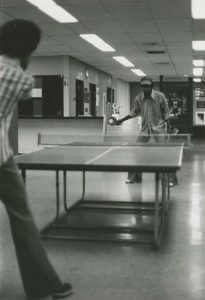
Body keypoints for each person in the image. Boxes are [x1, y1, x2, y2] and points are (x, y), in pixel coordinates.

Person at [0, 19, 72, 299]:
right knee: (23, 220)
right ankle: (43, 286)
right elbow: (25, 91)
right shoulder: (22, 79)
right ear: (27, 49)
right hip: (2, 158)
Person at [116, 77, 176, 186]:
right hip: (144, 129)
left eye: (147, 86)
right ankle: (134, 177)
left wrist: (170, 127)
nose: (145, 88)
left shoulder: (160, 96)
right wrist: (121, 120)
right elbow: (134, 112)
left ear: (151, 86)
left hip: (159, 128)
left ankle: (168, 179)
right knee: (137, 152)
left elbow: (166, 114)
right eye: (143, 86)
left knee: (164, 154)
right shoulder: (139, 98)